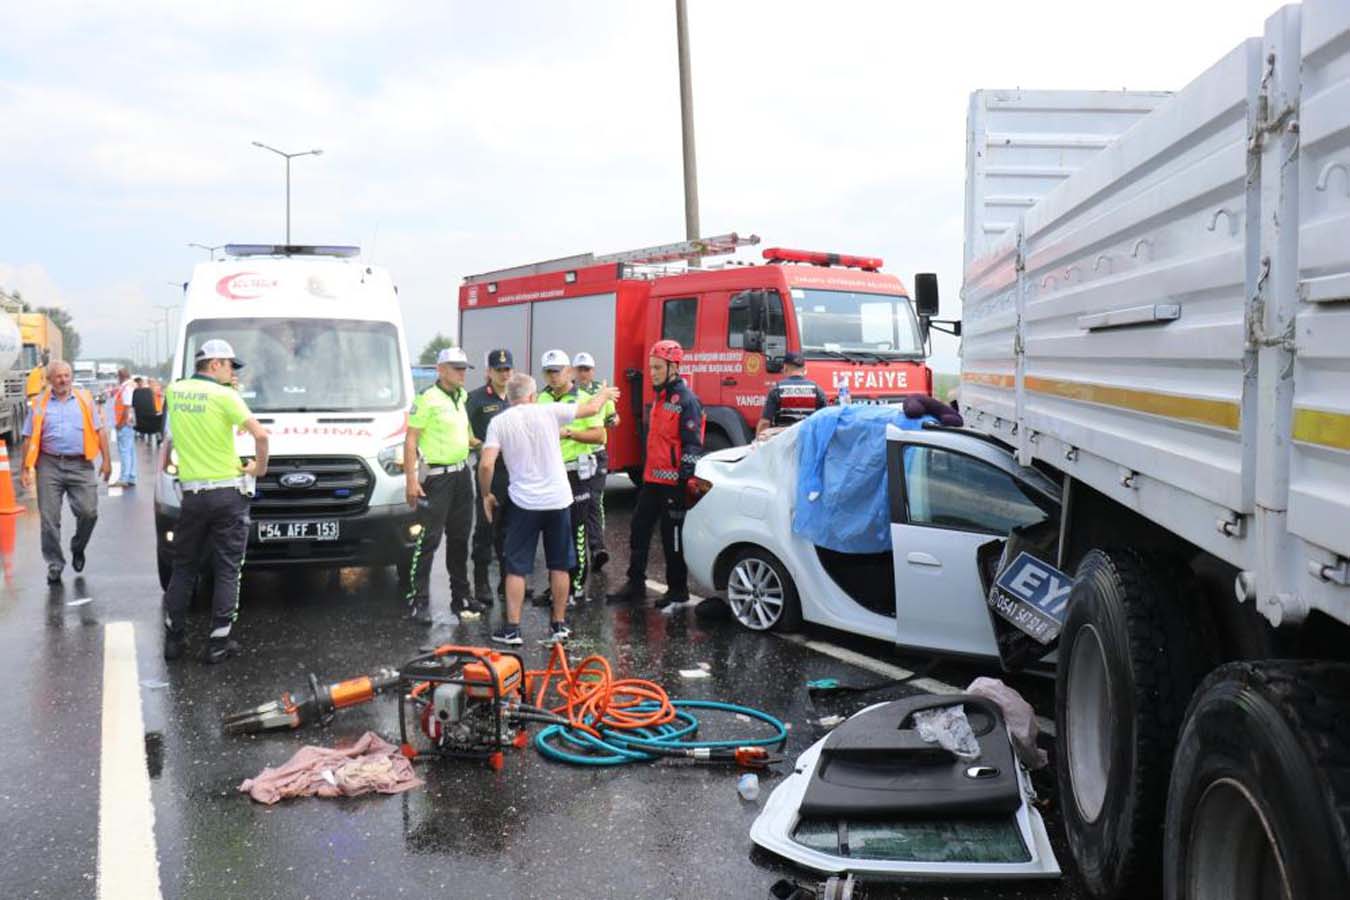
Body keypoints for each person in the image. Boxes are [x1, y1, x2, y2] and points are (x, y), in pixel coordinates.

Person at [478, 372, 619, 646]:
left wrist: (486, 495)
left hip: (524, 502)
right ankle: (558, 626)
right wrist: (604, 394)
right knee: (560, 564)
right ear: (532, 395)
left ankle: (513, 629)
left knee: (516, 567)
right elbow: (591, 408)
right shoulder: (549, 411)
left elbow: (486, 465)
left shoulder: (499, 422)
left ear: (509, 396)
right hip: (558, 499)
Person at [161, 340, 270, 664]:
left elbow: (198, 402)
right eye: (230, 366)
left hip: (192, 496)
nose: (232, 373)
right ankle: (218, 643)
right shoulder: (225, 397)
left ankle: (174, 640)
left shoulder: (174, 390)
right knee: (227, 569)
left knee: (184, 568)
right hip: (227, 494)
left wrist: (229, 389)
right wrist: (258, 468)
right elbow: (260, 435)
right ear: (216, 364)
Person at [608, 340, 705, 608]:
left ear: (673, 367)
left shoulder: (687, 400)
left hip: (673, 483)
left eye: (657, 367)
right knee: (638, 529)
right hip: (652, 479)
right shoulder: (660, 398)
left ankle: (678, 590)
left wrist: (684, 479)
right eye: (650, 367)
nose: (652, 372)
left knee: (670, 537)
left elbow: (693, 442)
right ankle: (635, 583)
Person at [403, 347, 481, 625]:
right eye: (456, 368)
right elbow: (411, 439)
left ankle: (460, 596)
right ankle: (418, 599)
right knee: (429, 540)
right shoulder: (426, 399)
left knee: (460, 539)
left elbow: (468, 437)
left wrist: (488, 443)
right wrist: (411, 480)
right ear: (441, 369)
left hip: (462, 474)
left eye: (464, 368)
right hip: (437, 478)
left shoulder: (461, 397)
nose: (462, 373)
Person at [19, 361, 112, 583]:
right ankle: (54, 563)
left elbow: (100, 432)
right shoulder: (39, 403)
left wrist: (106, 461)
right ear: (50, 380)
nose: (64, 380)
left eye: (67, 375)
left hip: (80, 464)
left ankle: (77, 547)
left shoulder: (85, 400)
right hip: (49, 464)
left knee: (89, 512)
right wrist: (25, 467)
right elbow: (28, 437)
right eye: (59, 376)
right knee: (49, 519)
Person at [536, 350, 607, 605]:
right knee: (554, 530)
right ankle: (556, 587)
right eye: (549, 371)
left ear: (569, 371)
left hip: (577, 473)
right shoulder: (540, 399)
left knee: (577, 530)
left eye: (558, 371)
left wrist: (570, 434)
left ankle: (576, 587)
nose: (553, 376)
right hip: (550, 473)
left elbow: (599, 436)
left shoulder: (585, 399)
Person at [466, 348, 514, 604]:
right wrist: (484, 447)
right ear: (489, 372)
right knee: (485, 527)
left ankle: (508, 582)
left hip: (513, 473)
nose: (504, 374)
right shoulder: (476, 399)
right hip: (489, 471)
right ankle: (481, 582)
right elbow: (463, 432)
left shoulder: (516, 398)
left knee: (508, 529)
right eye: (499, 369)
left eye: (508, 369)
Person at [572, 351, 619, 570]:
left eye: (587, 369)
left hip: (597, 453)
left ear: (593, 370)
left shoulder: (603, 391)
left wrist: (614, 418)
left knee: (595, 500)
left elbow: (612, 418)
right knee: (577, 503)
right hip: (576, 454)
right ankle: (576, 552)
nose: (583, 373)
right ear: (573, 371)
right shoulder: (569, 392)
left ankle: (597, 547)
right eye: (580, 369)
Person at [756, 351, 827, 436]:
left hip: (783, 441)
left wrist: (758, 441)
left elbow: (765, 423)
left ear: (785, 368)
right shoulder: (817, 390)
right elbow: (824, 420)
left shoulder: (777, 390)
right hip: (807, 441)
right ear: (805, 369)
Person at [113, 366, 138, 486]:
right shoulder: (132, 385)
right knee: (131, 450)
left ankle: (124, 478)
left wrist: (120, 423)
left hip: (125, 423)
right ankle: (131, 476)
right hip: (130, 422)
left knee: (124, 451)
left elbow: (127, 407)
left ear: (121, 376)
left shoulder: (127, 388)